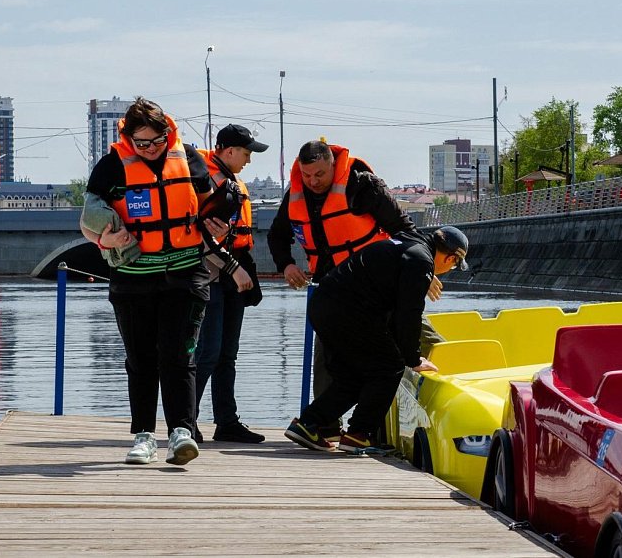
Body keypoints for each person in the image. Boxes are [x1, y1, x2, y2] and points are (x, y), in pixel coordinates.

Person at [81, 97, 252, 466]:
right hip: (132, 279)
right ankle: (143, 436)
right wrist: (104, 240)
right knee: (140, 360)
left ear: (167, 132)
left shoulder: (189, 160)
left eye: (156, 141)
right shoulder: (111, 167)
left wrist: (217, 227)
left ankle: (181, 434)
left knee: (180, 356)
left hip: (185, 276)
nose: (149, 150)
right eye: (140, 144)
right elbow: (87, 221)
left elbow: (208, 210)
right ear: (128, 139)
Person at [267, 140, 419, 439]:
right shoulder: (297, 195)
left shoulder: (362, 185)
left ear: (333, 165)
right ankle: (324, 429)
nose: (313, 182)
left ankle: (378, 432)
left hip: (374, 288)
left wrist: (420, 269)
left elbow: (402, 228)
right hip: (332, 291)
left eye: (320, 175)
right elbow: (277, 235)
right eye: (307, 175)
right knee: (328, 362)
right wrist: (286, 265)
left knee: (393, 354)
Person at [284, 226, 469, 453]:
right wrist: (413, 358)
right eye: (452, 265)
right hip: (347, 311)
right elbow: (408, 314)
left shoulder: (408, 243)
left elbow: (392, 310)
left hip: (324, 305)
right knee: (390, 366)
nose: (448, 269)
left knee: (352, 376)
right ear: (450, 258)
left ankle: (307, 425)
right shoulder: (421, 262)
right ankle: (360, 434)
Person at [194, 124, 268, 444]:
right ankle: (186, 420)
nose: (249, 160)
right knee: (208, 351)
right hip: (211, 273)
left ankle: (226, 422)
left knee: (228, 353)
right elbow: (199, 234)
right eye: (247, 153)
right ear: (229, 151)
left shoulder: (232, 180)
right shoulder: (205, 180)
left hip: (232, 272)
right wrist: (231, 265)